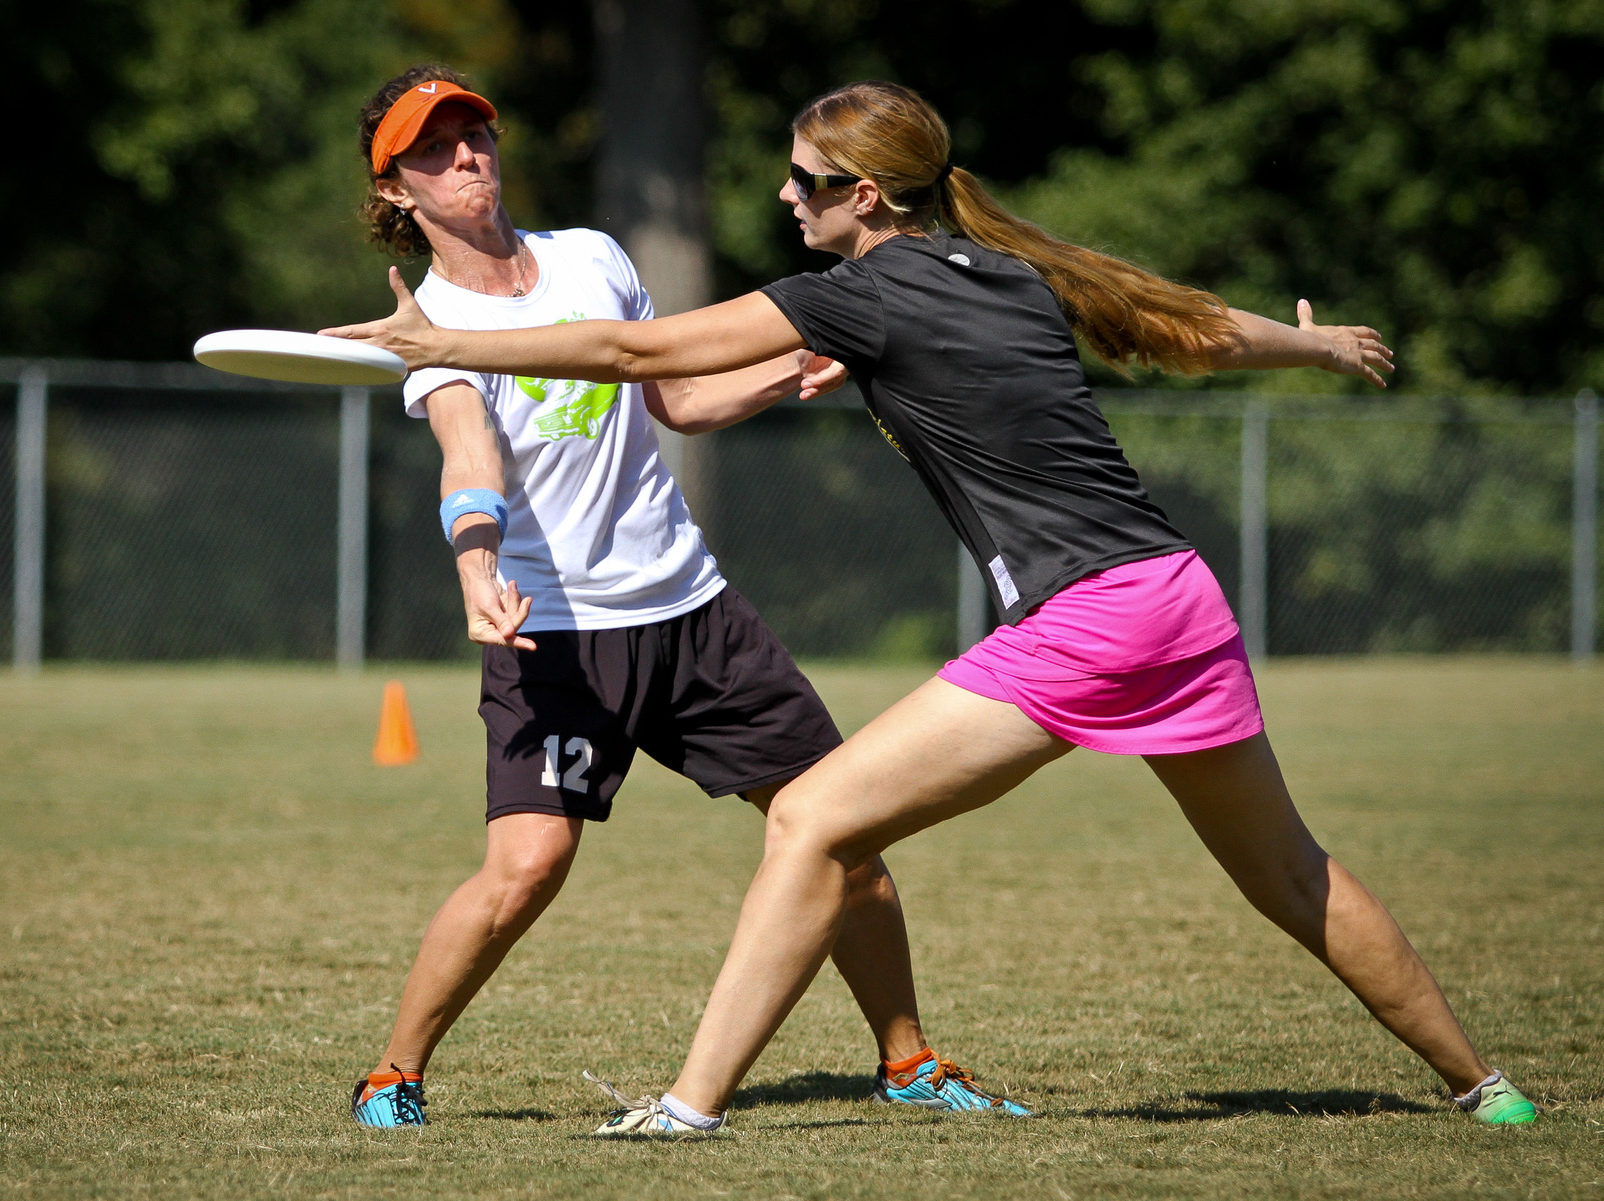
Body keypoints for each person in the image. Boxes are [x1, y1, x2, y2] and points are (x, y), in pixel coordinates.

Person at [325, 79, 1538, 1134]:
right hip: (1178, 595)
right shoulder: (1011, 269)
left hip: (1081, 619)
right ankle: (1486, 1087)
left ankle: (692, 1108)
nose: (787, 202)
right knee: (1290, 874)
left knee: (812, 819)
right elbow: (1184, 324)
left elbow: (646, 361)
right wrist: (1314, 351)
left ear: (867, 195)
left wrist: (450, 343)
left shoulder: (855, 294)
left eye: (806, 183)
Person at [343, 66, 1031, 1130]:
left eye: (475, 132)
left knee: (843, 838)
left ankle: (908, 1060)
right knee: (527, 867)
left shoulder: (593, 260)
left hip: (694, 613)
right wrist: (477, 568)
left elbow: (677, 400)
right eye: (432, 150)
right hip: (556, 638)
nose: (467, 156)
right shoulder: (427, 325)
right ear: (395, 191)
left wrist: (787, 370)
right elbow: (467, 454)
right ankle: (394, 1071)